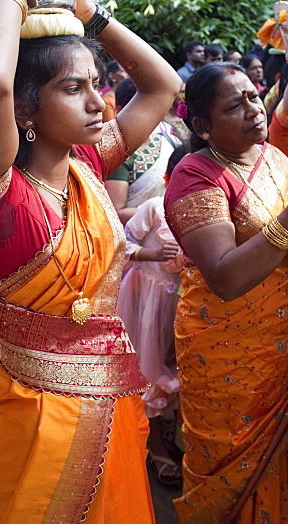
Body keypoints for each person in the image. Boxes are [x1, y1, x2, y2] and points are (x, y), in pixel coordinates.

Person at [0, 0, 180, 522]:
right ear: (24, 109)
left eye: (98, 86)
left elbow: (164, 86)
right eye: (73, 88)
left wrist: (91, 14)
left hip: (113, 400)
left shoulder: (84, 163)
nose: (100, 103)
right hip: (41, 423)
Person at [162, 53, 288, 520]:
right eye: (235, 106)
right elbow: (226, 277)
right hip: (229, 348)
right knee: (234, 463)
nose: (253, 109)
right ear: (204, 127)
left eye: (253, 96)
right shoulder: (196, 175)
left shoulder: (275, 156)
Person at [118, 143, 187, 486]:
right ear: (169, 178)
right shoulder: (154, 209)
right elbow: (120, 247)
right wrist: (152, 253)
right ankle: (156, 447)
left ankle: (170, 441)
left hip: (180, 304)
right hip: (145, 300)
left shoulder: (205, 214)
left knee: (177, 368)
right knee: (149, 371)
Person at [105, 78, 181, 223]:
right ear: (120, 111)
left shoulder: (171, 142)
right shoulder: (117, 157)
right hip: (137, 240)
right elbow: (117, 212)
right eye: (146, 108)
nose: (153, 114)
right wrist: (164, 211)